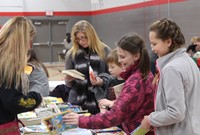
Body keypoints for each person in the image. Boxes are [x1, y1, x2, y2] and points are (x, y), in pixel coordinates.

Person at [63, 33, 155, 135]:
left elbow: (114, 116)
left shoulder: (135, 82)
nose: (119, 61)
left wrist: (81, 120)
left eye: (122, 57)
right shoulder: (142, 73)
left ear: (136, 56)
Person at [141, 18, 200, 135]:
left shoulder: (171, 69)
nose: (152, 49)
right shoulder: (188, 61)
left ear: (168, 42)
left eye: (154, 44)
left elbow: (176, 112)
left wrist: (151, 119)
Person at [0, 16, 42, 132]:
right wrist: (36, 98)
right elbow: (14, 103)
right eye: (29, 40)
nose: (29, 46)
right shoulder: (7, 63)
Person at [65, 20, 111, 114]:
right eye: (77, 39)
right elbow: (68, 84)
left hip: (99, 101)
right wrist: (69, 80)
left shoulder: (105, 50)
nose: (81, 41)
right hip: (77, 101)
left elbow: (113, 77)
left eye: (84, 37)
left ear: (91, 35)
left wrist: (101, 81)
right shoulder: (71, 54)